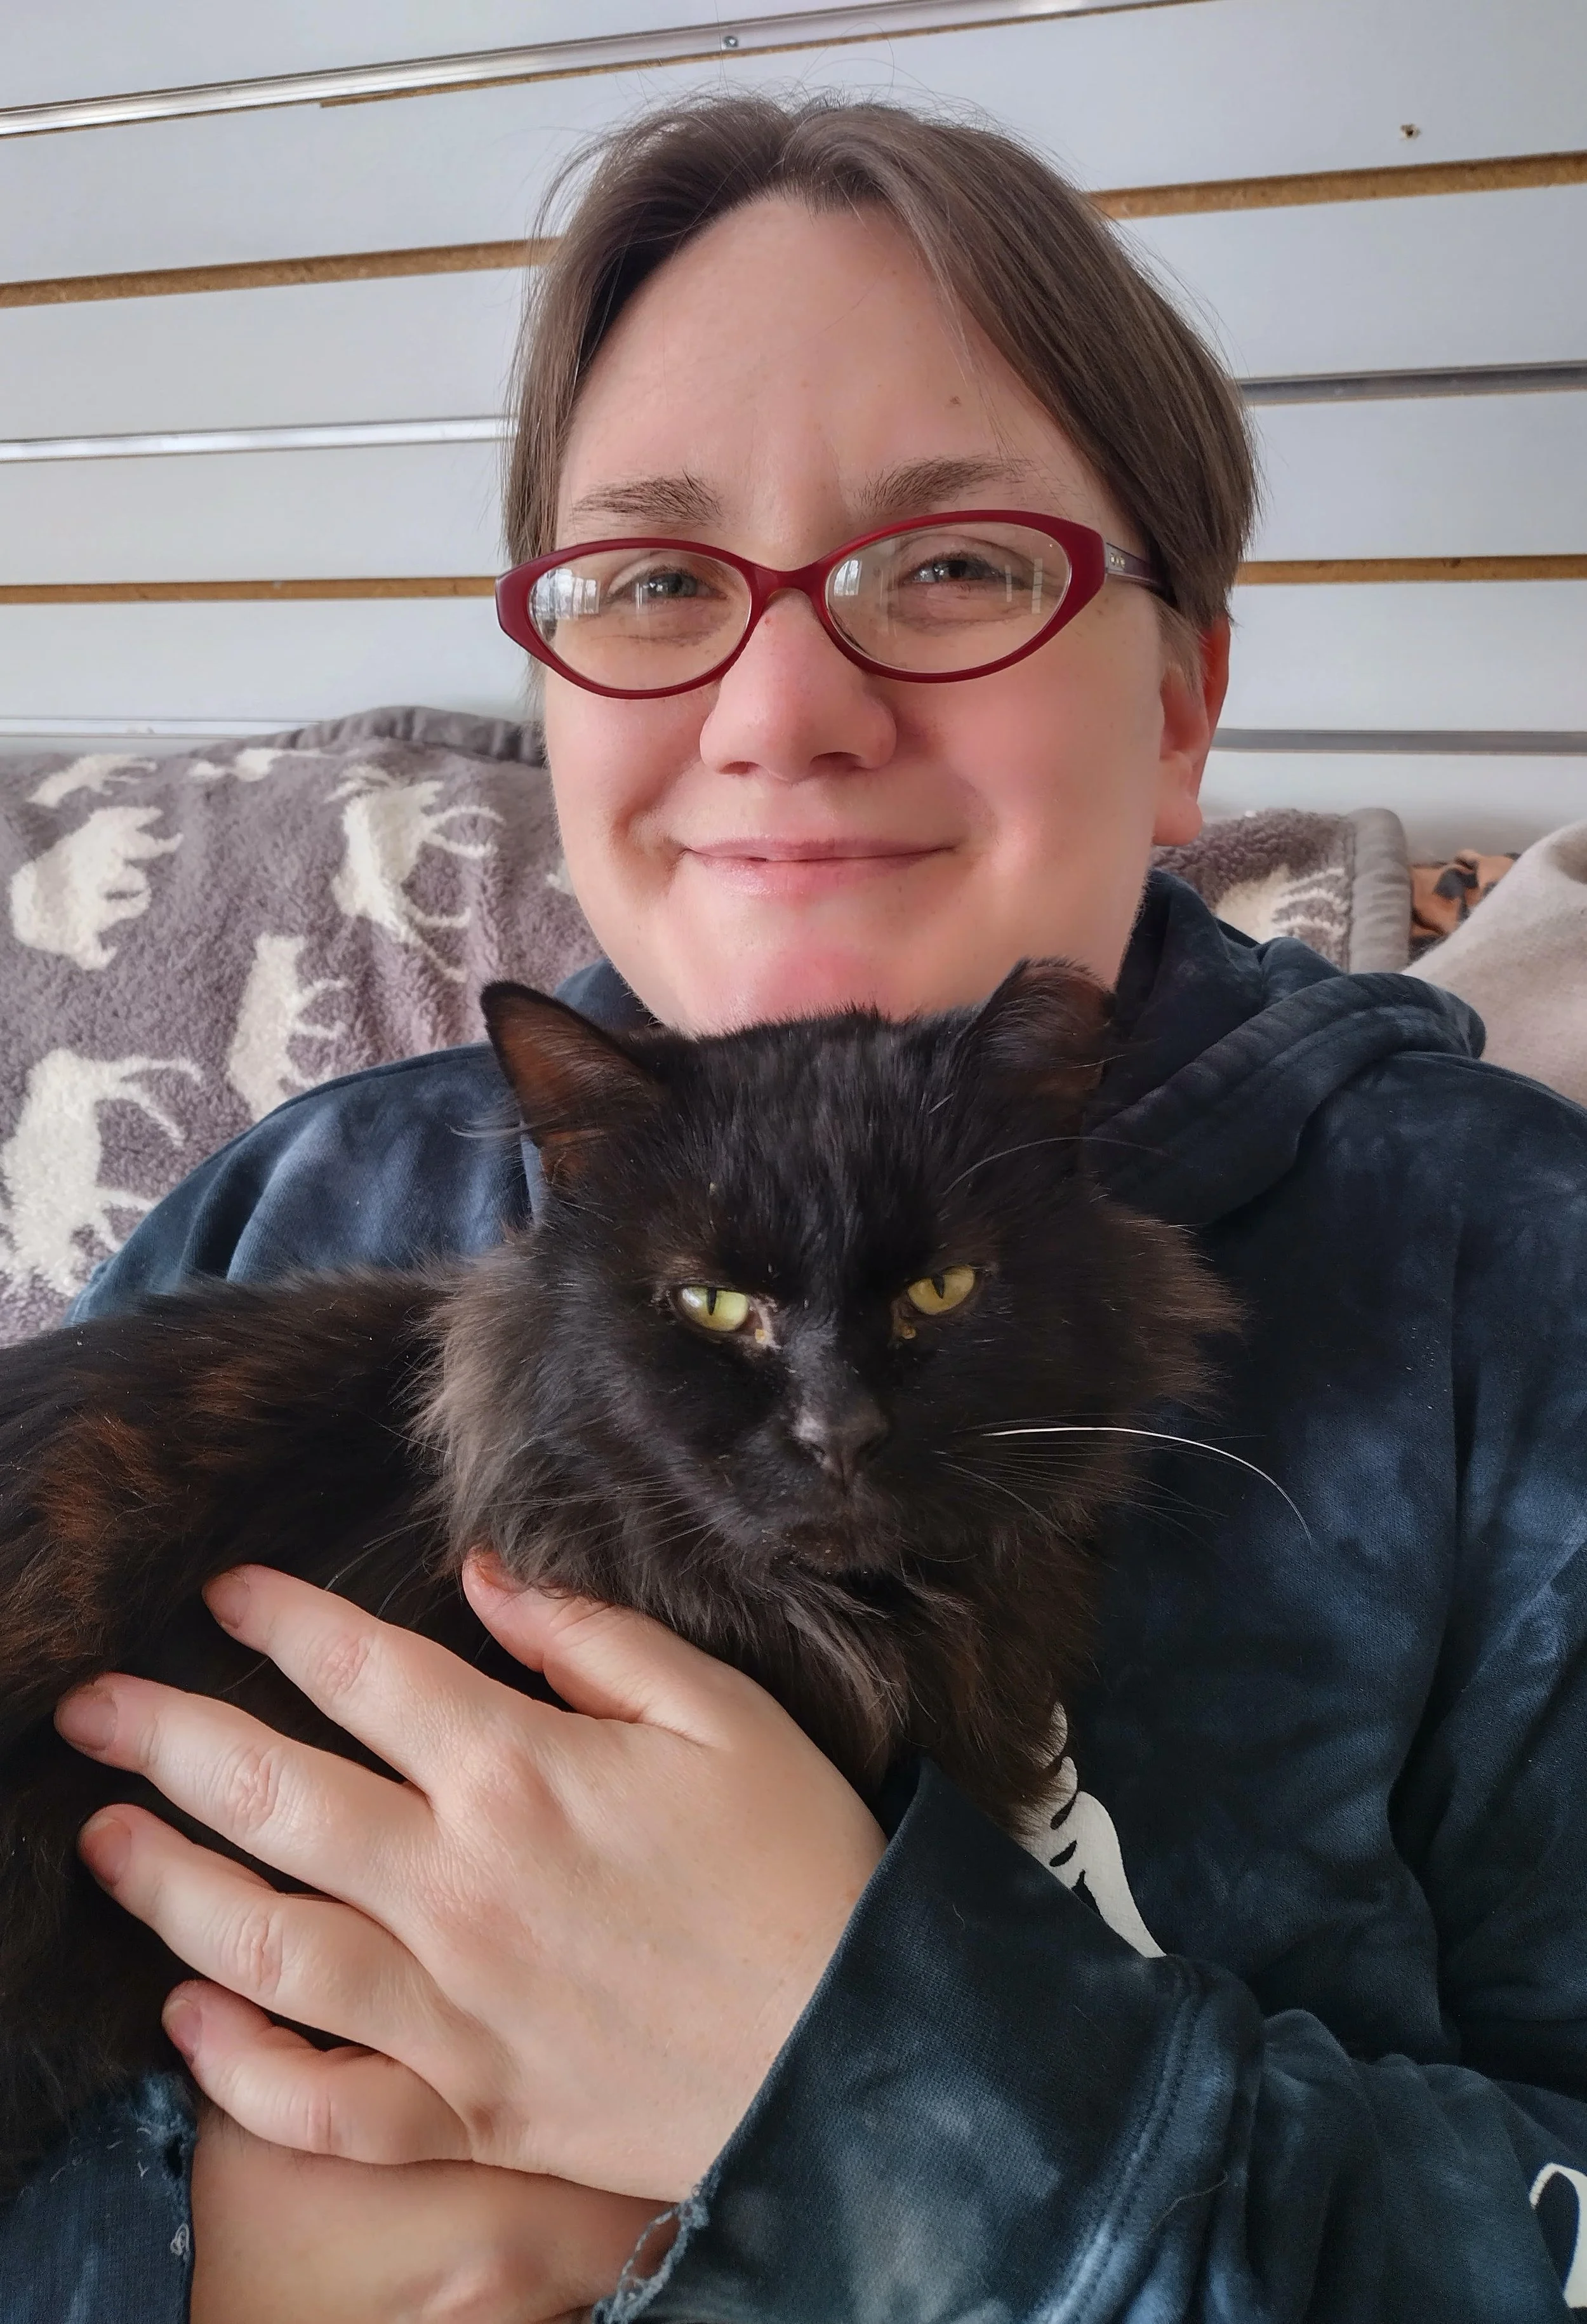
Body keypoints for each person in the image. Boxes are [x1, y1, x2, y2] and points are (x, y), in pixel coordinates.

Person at [6, 91, 1586, 2323]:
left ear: (1181, 699)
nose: (780, 707)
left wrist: (867, 2072)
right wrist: (223, 2237)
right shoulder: (312, 1190)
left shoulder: (1510, 1288)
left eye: (948, 567)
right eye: (653, 581)